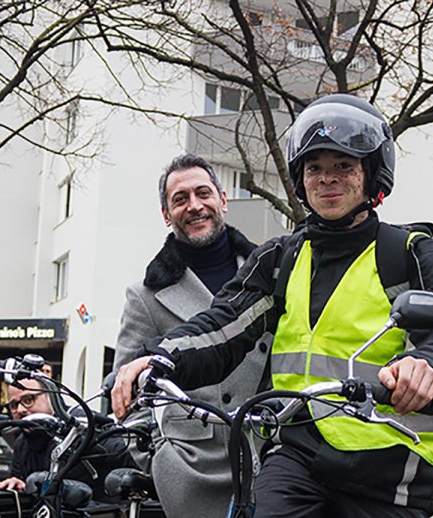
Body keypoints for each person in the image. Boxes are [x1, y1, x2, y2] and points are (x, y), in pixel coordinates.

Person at [112, 94, 433, 517]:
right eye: (315, 168)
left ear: (371, 172)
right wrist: (160, 358)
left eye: (343, 166)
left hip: (389, 457)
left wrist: (429, 365)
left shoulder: (410, 253)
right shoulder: (280, 258)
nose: (327, 179)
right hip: (298, 453)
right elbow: (224, 324)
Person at [112, 153, 269, 518]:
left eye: (203, 193)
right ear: (167, 215)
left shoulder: (268, 275)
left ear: (223, 200)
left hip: (269, 454)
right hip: (191, 468)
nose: (195, 206)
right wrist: (160, 454)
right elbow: (126, 392)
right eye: (180, 199)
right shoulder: (145, 296)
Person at [0, 378, 135, 501]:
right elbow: (24, 481)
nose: (21, 410)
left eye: (29, 400)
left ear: (49, 397)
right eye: (14, 405)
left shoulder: (84, 425)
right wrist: (17, 483)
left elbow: (130, 456)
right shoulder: (21, 443)